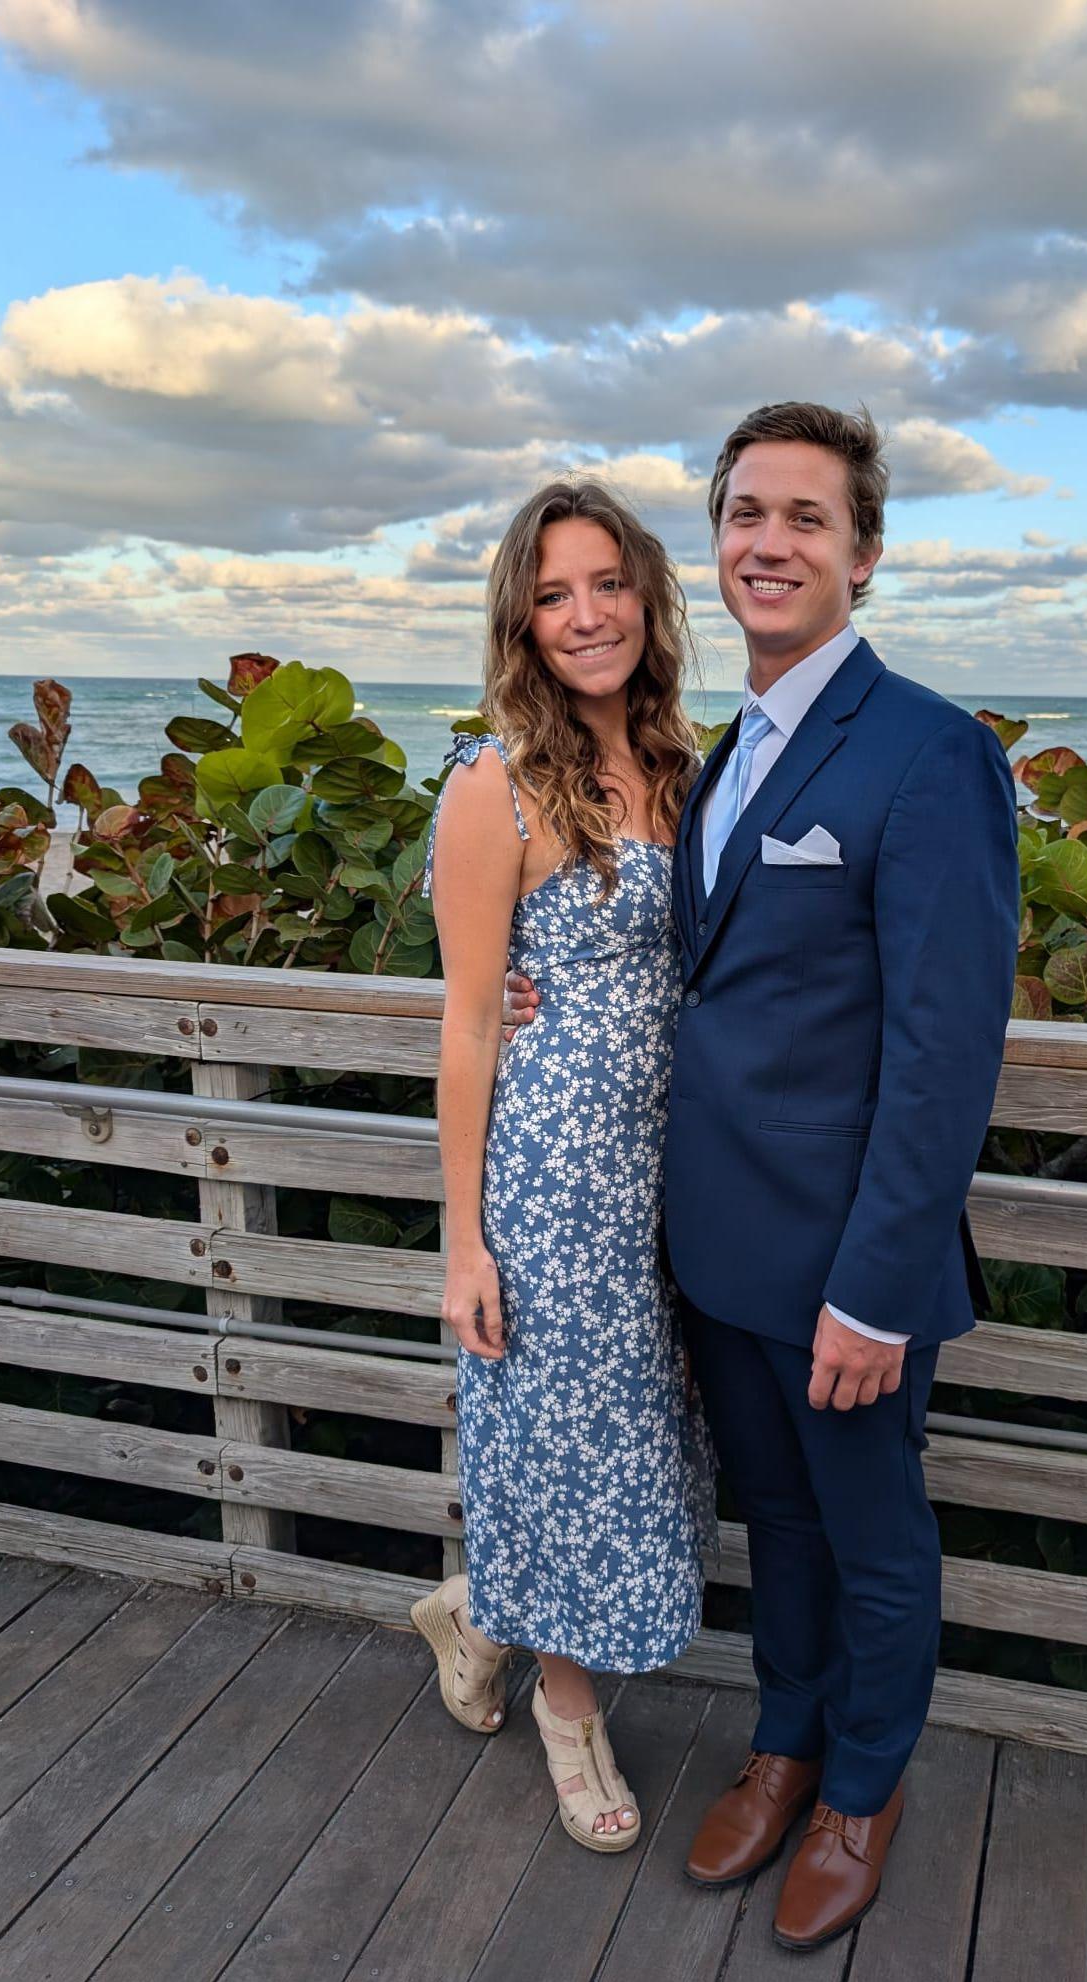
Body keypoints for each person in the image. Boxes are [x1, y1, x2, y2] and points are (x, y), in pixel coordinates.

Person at [506, 402, 1019, 1946]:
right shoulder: (722, 759)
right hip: (720, 1252)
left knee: (874, 1542)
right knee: (778, 1530)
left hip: (847, 1269)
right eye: (746, 514)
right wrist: (528, 989)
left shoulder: (931, 753)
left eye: (807, 516)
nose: (770, 542)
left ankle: (861, 1790)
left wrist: (876, 1292)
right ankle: (783, 1748)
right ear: (716, 545)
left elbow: (943, 1055)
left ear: (865, 552)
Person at [413, 476, 715, 1853]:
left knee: (644, 1434)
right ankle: (569, 1710)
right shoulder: (499, 785)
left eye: (607, 584)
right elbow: (472, 1020)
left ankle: (479, 1617)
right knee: (576, 1442)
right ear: (522, 625)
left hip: (679, 1171)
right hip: (552, 1182)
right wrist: (464, 1242)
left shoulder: (689, 770)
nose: (586, 615)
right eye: (552, 595)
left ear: (647, 598)